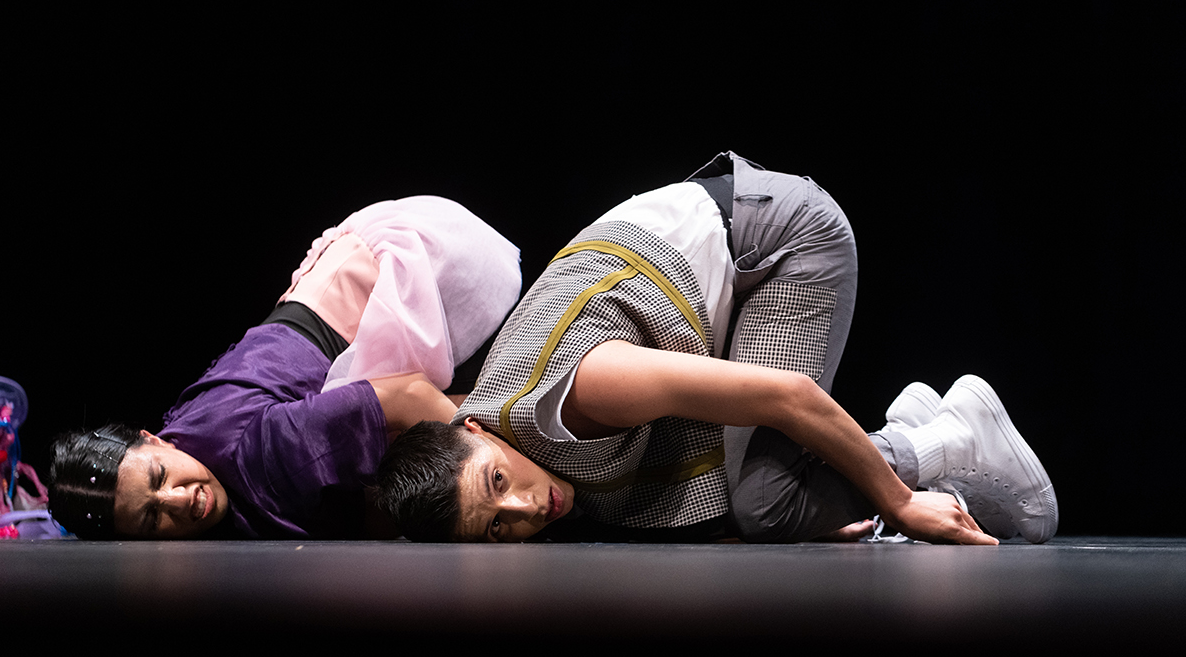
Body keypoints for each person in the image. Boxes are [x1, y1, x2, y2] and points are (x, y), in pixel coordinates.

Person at [376, 152, 1057, 545]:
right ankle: (918, 435)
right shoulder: (498, 427)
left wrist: (898, 500)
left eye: (498, 485)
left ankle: (939, 442)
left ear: (474, 429)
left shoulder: (571, 395)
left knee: (765, 503)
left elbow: (785, 396)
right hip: (718, 269)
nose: (526, 510)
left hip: (778, 240)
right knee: (757, 507)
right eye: (497, 530)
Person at [48, 196, 522, 540]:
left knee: (482, 448)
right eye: (152, 518)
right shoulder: (206, 459)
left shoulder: (263, 453)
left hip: (386, 283)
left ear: (153, 439)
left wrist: (506, 469)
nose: (178, 498)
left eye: (158, 477)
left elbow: (407, 395)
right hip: (324, 312)